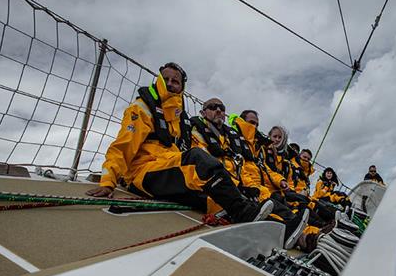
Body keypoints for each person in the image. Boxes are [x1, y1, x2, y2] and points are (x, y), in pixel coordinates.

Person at [85, 63, 272, 223]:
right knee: (199, 159)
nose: (170, 84)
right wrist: (108, 183)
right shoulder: (141, 109)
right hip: (142, 173)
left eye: (175, 81)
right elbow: (122, 146)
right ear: (159, 80)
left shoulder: (177, 116)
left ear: (182, 86)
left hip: (166, 167)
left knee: (208, 188)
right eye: (166, 79)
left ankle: (238, 214)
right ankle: (242, 212)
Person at [190, 100, 308, 248]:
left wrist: (249, 186)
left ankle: (306, 235)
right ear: (203, 112)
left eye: (221, 108)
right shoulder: (199, 130)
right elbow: (205, 164)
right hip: (213, 186)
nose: (218, 111)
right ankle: (293, 234)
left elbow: (241, 166)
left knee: (279, 204)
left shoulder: (230, 138)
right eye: (213, 108)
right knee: (257, 207)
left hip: (240, 185)